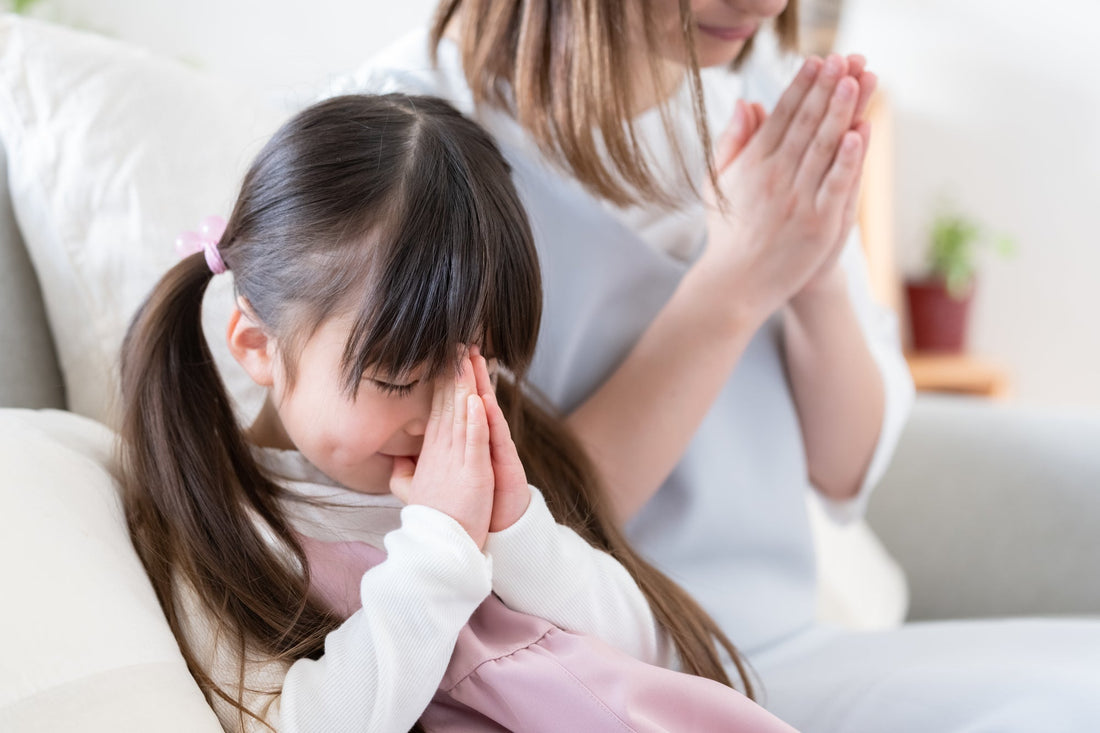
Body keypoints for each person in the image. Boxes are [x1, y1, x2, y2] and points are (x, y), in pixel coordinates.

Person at [332, 2, 1100, 731]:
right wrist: (736, 284)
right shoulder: (401, 144)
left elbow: (845, 471)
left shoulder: (760, 91)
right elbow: (474, 527)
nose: (766, 7)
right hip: (591, 680)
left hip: (787, 650)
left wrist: (815, 274)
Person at [115, 93, 800, 732]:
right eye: (397, 377)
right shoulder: (226, 529)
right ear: (257, 345)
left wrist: (518, 530)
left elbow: (652, 650)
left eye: (483, 366)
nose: (443, 412)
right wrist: (440, 548)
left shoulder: (496, 465)